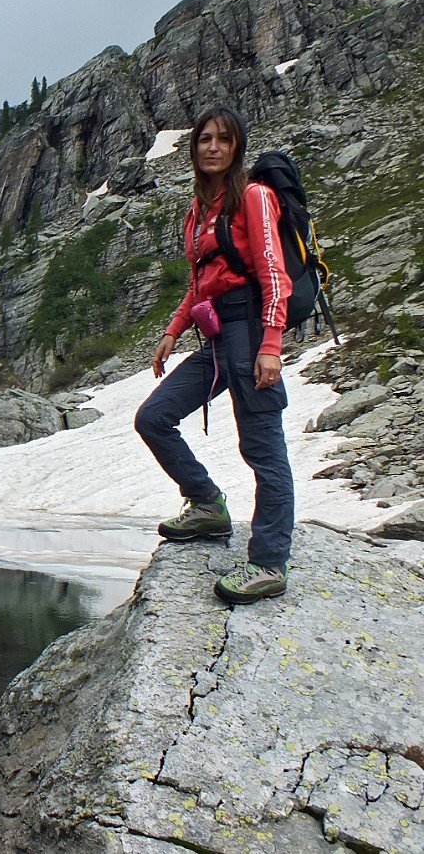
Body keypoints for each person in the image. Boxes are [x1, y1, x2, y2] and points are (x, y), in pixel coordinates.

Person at [134, 105, 294, 605]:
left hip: (250, 328)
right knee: (154, 417)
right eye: (205, 139)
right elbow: (199, 283)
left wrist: (271, 346)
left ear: (236, 147)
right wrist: (172, 332)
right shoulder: (198, 210)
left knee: (262, 446)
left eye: (224, 139)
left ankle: (269, 562)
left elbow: (274, 275)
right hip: (218, 333)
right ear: (194, 147)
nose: (213, 147)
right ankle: (207, 504)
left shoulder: (253, 196)